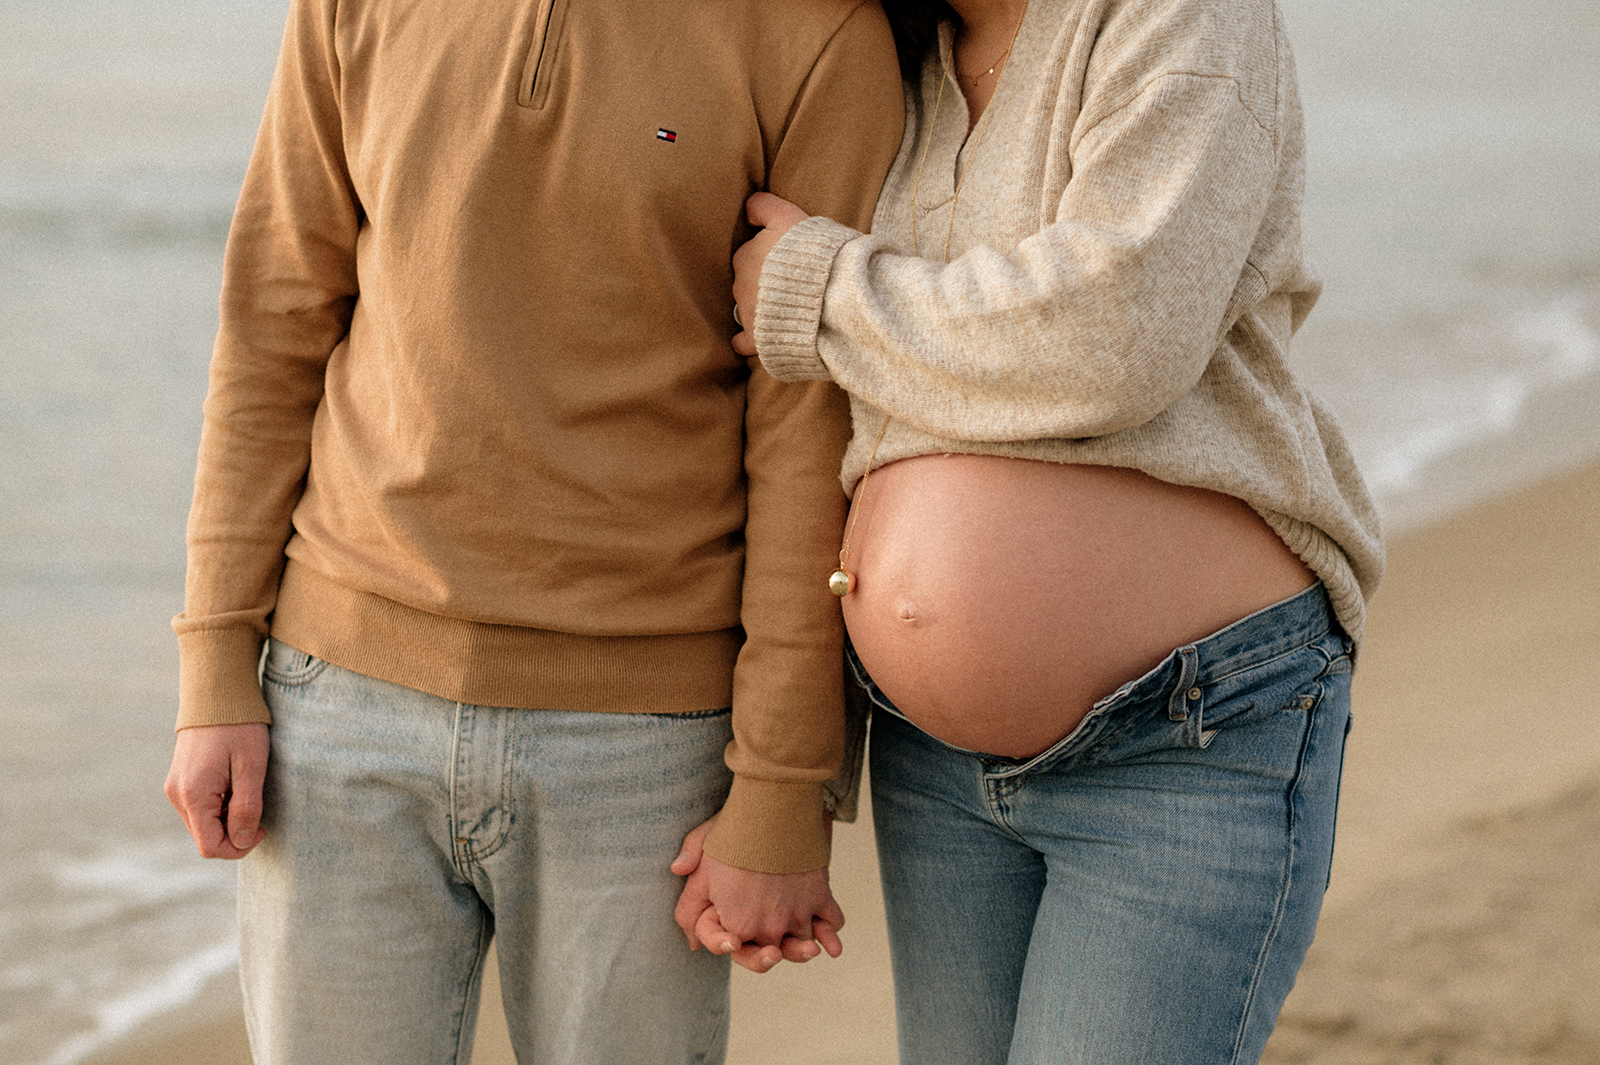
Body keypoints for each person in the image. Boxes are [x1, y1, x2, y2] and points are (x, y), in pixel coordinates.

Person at [161, 1, 904, 1062]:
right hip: (337, 713)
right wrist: (216, 666)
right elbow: (274, 324)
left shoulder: (818, 33)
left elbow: (808, 431)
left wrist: (783, 785)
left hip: (646, 749)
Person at [721, 0, 1387, 1061]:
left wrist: (822, 290)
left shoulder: (1181, 17)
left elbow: (1115, 334)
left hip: (1183, 734)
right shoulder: (875, 52)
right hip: (929, 754)